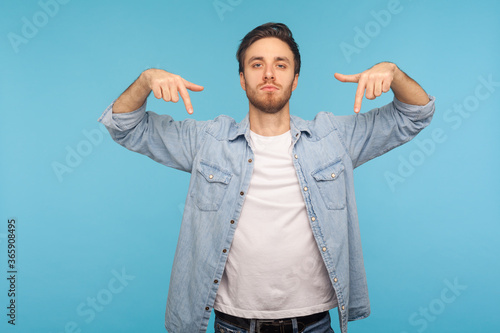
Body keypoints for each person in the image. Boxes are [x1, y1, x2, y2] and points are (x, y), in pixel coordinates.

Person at [98, 22, 435, 333]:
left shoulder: (333, 138)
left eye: (281, 64)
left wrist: (393, 73)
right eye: (257, 64)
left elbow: (416, 114)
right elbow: (125, 126)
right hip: (234, 325)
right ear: (242, 78)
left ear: (296, 78)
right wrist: (145, 81)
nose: (269, 74)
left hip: (313, 325)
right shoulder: (208, 141)